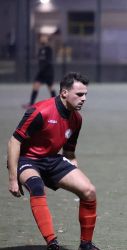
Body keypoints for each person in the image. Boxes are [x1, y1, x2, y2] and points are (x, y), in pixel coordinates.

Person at [7, 72, 99, 250]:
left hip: (52, 160)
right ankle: (52, 243)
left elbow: (69, 152)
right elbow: (14, 141)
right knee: (36, 185)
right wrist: (12, 179)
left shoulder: (77, 119)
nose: (84, 99)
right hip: (27, 159)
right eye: (79, 94)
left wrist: (73, 170)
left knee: (89, 191)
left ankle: (86, 244)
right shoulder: (40, 111)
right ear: (64, 93)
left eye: (86, 94)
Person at [23, 35, 57, 109]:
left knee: (51, 88)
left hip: (48, 72)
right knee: (35, 86)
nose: (43, 39)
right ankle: (31, 104)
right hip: (41, 72)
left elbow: (49, 61)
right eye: (41, 38)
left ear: (47, 40)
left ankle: (57, 104)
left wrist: (44, 67)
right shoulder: (40, 49)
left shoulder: (49, 49)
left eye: (44, 38)